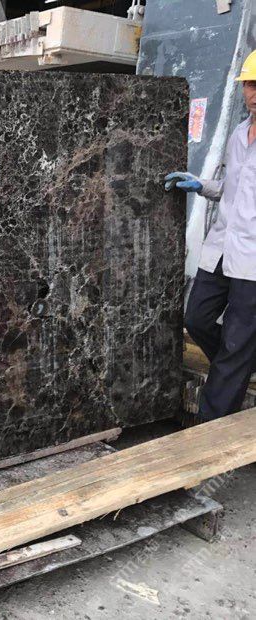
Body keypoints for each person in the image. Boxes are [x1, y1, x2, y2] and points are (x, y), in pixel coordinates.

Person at [165, 50, 256, 422]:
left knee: (237, 341)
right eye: (249, 84)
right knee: (197, 318)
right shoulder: (238, 134)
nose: (254, 93)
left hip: (252, 260)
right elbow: (233, 188)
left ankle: (209, 424)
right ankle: (238, 366)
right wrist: (201, 184)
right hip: (221, 247)